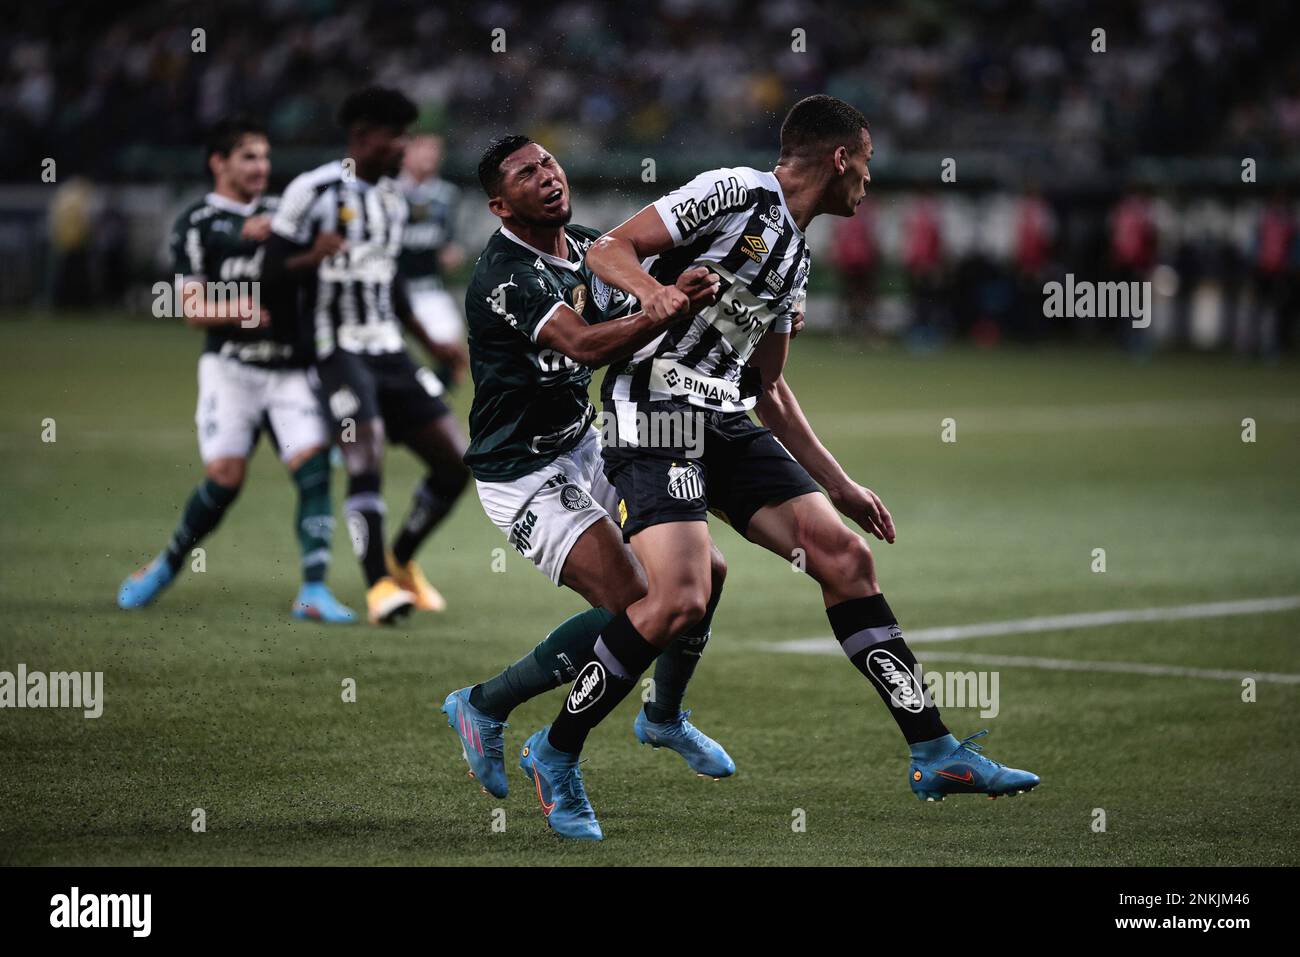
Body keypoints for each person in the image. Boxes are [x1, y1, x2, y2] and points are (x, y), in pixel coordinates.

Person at [519, 95, 1039, 840]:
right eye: (866, 160)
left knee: (845, 557)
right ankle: (555, 749)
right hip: (656, 409)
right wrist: (656, 294)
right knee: (680, 599)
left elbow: (767, 389)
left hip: (724, 418)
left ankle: (935, 750)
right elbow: (607, 249)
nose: (869, 177)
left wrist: (841, 483)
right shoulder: (734, 191)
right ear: (840, 156)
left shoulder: (796, 253)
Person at [440, 136, 734, 813]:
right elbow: (582, 343)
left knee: (705, 573)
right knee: (636, 603)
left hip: (587, 442)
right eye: (525, 173)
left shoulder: (589, 246)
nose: (546, 176)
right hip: (523, 470)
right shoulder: (505, 274)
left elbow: (667, 280)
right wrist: (657, 308)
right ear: (498, 203)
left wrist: (710, 292)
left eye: (548, 163)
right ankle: (483, 705)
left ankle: (663, 715)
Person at [118, 116, 353, 623]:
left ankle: (313, 590)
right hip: (232, 369)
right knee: (225, 479)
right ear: (218, 163)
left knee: (313, 471)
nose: (260, 166)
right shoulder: (197, 223)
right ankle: (166, 565)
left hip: (290, 370)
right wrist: (244, 310)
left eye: (265, 156)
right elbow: (193, 309)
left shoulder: (282, 215)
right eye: (248, 156)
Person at [265, 87, 471, 625]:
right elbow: (270, 272)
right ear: (362, 135)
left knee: (456, 462)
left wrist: (433, 342)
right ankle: (378, 586)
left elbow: (392, 281)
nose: (404, 146)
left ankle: (400, 558)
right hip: (336, 351)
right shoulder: (312, 191)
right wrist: (311, 257)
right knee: (366, 452)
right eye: (395, 135)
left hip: (390, 351)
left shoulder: (393, 201)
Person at [398, 133, 467, 388]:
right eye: (423, 150)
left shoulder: (447, 195)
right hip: (391, 290)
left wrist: (451, 252)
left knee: (454, 357)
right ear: (406, 153)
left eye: (435, 151)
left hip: (429, 290)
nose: (429, 157)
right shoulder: (388, 192)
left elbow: (449, 241)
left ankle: (427, 400)